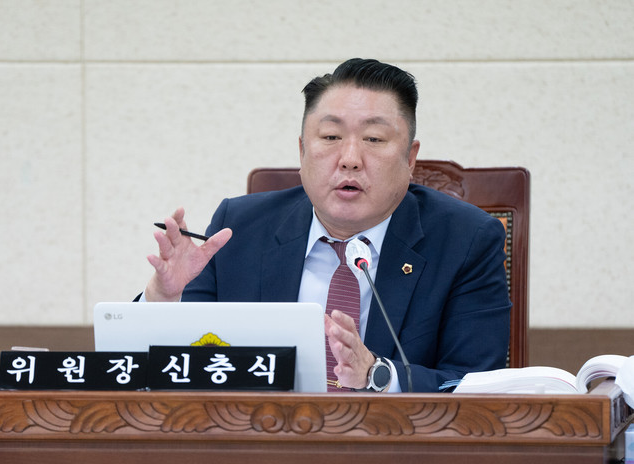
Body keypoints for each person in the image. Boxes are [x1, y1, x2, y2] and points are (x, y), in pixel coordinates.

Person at [144, 58, 511, 393]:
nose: (350, 159)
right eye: (331, 137)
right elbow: (178, 367)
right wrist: (164, 299)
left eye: (374, 139)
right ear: (302, 150)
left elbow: (476, 385)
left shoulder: (467, 241)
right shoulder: (238, 229)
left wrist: (377, 374)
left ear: (410, 158)